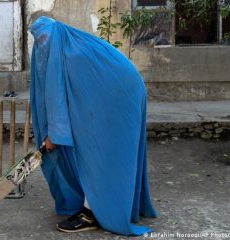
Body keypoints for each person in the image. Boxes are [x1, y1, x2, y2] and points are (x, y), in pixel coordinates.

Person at [29, 16, 157, 236]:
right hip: (114, 89)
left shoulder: (71, 53)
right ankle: (105, 204)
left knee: (99, 153)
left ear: (56, 33)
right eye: (38, 39)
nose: (42, 43)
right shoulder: (67, 44)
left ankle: (93, 212)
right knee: (94, 149)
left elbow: (58, 98)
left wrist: (54, 135)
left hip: (120, 95)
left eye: (45, 38)